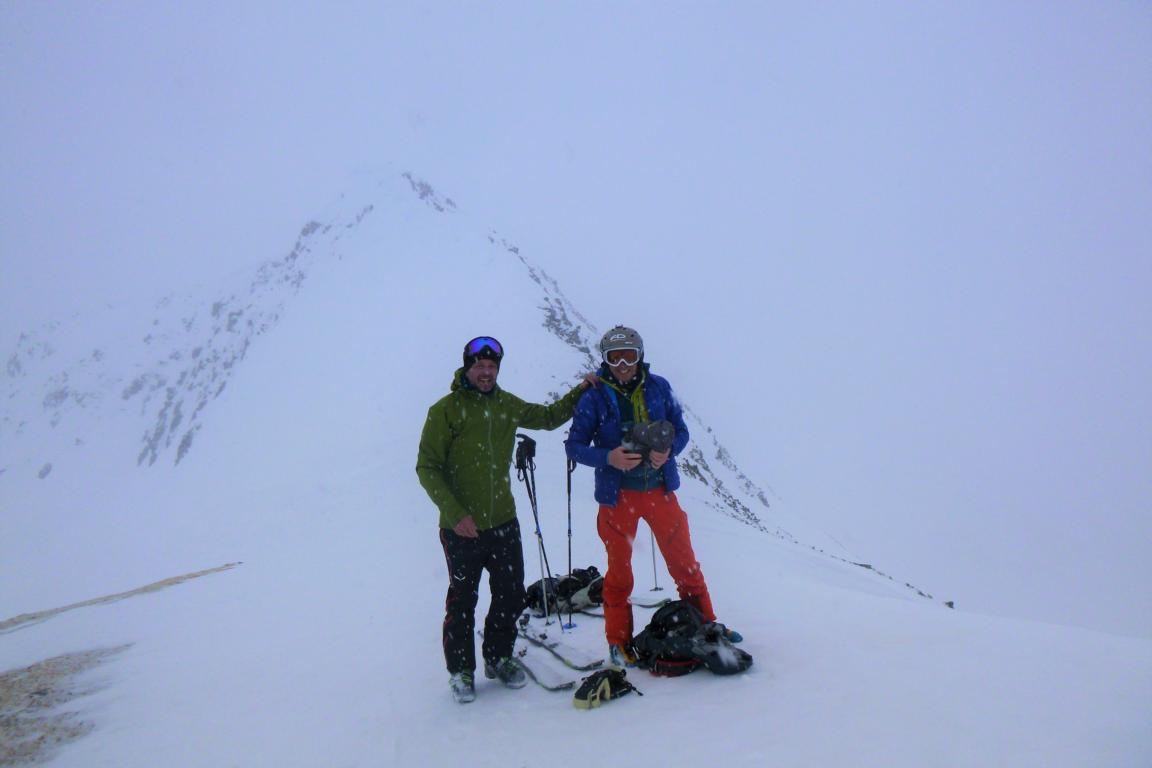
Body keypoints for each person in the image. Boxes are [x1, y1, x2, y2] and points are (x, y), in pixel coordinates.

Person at [417, 336, 595, 703]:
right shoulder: (445, 411)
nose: (485, 373)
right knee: (463, 600)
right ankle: (462, 671)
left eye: (491, 367)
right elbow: (428, 468)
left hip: (503, 522)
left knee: (511, 595)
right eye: (479, 366)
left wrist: (580, 392)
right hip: (460, 528)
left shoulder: (505, 405)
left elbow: (547, 418)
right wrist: (455, 513)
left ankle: (498, 657)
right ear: (467, 367)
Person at [565, 325, 741, 666]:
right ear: (604, 360)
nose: (622, 365)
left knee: (685, 566)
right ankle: (618, 641)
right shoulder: (594, 397)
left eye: (628, 356)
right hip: (617, 498)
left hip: (660, 491)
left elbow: (683, 430)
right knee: (620, 575)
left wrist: (669, 450)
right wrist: (609, 457)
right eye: (613, 358)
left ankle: (705, 626)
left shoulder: (660, 388)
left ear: (639, 355)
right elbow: (573, 447)